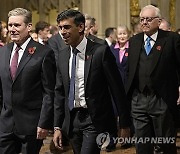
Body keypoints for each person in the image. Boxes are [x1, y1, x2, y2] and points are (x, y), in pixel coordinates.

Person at [53, 9, 130, 154]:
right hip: (72, 120)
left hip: (94, 120)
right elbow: (59, 93)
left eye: (67, 27)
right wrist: (57, 126)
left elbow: (117, 89)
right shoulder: (63, 55)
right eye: (60, 28)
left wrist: (124, 124)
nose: (62, 31)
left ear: (81, 27)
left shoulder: (100, 52)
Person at [0, 8, 56, 153]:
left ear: (29, 27)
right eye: (10, 25)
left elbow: (48, 93)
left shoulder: (44, 53)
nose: (12, 29)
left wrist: (44, 123)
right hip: (5, 126)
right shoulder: (3, 52)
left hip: (31, 127)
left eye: (17, 25)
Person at [126, 5, 180, 154]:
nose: (144, 22)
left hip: (161, 98)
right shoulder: (135, 40)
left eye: (148, 19)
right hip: (139, 99)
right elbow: (130, 70)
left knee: (166, 143)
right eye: (142, 19)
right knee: (142, 144)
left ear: (159, 21)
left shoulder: (171, 39)